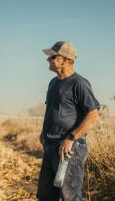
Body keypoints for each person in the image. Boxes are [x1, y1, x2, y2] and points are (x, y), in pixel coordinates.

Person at [36, 41, 100, 201]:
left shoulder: (80, 83)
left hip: (69, 149)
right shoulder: (53, 83)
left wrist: (71, 138)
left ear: (64, 59)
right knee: (45, 195)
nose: (48, 60)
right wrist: (44, 134)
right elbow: (53, 111)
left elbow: (93, 115)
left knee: (69, 196)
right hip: (50, 147)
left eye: (52, 56)